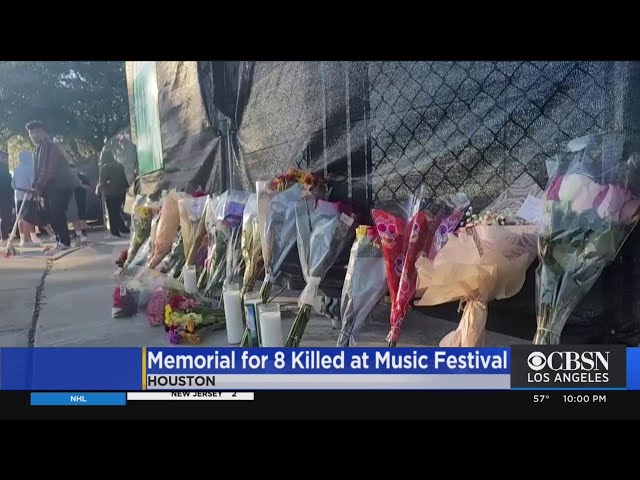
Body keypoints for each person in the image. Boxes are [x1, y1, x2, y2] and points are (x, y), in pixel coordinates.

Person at [26, 120, 75, 255]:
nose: (34, 135)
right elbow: (39, 170)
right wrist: (35, 185)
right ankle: (60, 241)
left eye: (36, 132)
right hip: (48, 188)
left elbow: (49, 170)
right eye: (31, 133)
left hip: (58, 186)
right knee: (51, 215)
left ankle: (64, 242)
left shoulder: (50, 146)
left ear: (44, 132)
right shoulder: (38, 149)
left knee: (57, 213)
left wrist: (39, 185)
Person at [11, 151, 41, 247]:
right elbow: (33, 184)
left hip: (18, 197)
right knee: (28, 218)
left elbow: (13, 185)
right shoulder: (30, 169)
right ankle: (27, 241)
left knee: (21, 218)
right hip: (29, 197)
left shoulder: (16, 170)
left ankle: (23, 240)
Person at [97, 150, 130, 238]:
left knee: (112, 213)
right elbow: (124, 179)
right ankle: (123, 228)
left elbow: (102, 181)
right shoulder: (119, 165)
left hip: (110, 193)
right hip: (121, 191)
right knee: (117, 211)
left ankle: (115, 231)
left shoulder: (105, 167)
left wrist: (100, 191)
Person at [68, 162, 93, 247]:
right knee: (74, 218)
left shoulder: (81, 176)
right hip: (72, 201)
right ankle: (79, 234)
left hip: (81, 199)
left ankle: (83, 233)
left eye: (73, 169)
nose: (72, 172)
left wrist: (80, 184)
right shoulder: (67, 178)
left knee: (82, 216)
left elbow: (90, 188)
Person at [0, 151, 14, 242]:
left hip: (4, 194)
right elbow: (7, 181)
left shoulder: (4, 168)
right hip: (4, 195)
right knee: (5, 216)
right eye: (4, 158)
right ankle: (4, 237)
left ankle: (4, 236)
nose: (6, 160)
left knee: (4, 216)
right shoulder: (3, 168)